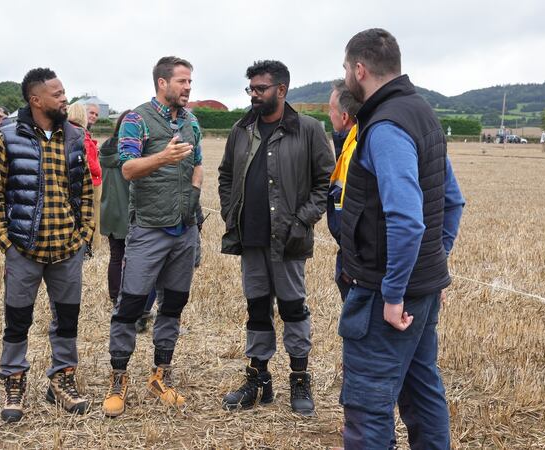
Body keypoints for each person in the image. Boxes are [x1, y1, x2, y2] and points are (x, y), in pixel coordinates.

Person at [338, 28, 465, 448]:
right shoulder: (421, 112)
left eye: (345, 68)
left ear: (359, 69)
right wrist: (433, 267)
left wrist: (394, 292)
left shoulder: (386, 126)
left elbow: (408, 220)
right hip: (421, 288)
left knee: (368, 407)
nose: (345, 76)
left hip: (384, 296)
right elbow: (452, 201)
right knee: (421, 389)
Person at [218, 60, 334, 416]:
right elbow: (225, 175)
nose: (254, 95)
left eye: (261, 89)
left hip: (288, 238)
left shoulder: (309, 129)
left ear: (281, 90)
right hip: (250, 237)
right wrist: (229, 211)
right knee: (256, 309)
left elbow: (325, 183)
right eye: (250, 89)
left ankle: (299, 378)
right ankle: (258, 380)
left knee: (293, 309)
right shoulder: (241, 129)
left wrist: (302, 221)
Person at [0, 67, 95, 421]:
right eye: (57, 93)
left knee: (67, 320)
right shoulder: (7, 136)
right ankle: (14, 381)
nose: (65, 98)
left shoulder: (75, 138)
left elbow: (86, 192)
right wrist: (7, 242)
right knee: (17, 321)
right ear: (36, 100)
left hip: (67, 249)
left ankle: (62, 380)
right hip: (24, 250)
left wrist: (83, 236)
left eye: (63, 92)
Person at [102, 56, 203, 418]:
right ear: (162, 83)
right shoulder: (137, 120)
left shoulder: (191, 121)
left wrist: (193, 201)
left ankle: (161, 374)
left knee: (173, 306)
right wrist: (162, 157)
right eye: (182, 81)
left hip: (184, 230)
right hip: (147, 229)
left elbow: (199, 165)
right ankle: (119, 378)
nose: (188, 87)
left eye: (190, 81)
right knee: (129, 306)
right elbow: (127, 168)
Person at [326, 79, 362, 301]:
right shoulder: (348, 145)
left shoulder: (353, 152)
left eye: (331, 109)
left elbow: (354, 215)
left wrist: (350, 266)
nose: (329, 115)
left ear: (344, 117)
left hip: (355, 264)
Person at [99, 110, 133, 304]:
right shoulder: (129, 152)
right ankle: (128, 296)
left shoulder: (105, 148)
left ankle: (115, 296)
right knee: (132, 257)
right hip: (127, 208)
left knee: (116, 256)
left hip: (108, 209)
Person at [67, 102, 101, 255]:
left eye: (96, 114)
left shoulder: (67, 130)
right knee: (90, 216)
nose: (93, 116)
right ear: (83, 114)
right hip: (90, 180)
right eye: (91, 113)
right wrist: (100, 170)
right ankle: (88, 247)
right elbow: (89, 161)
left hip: (74, 179)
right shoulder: (80, 133)